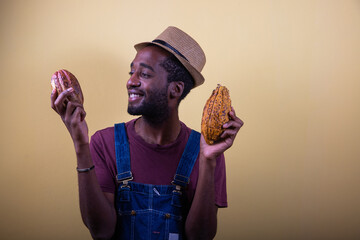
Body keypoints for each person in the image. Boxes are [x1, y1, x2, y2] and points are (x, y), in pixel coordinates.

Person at [51, 26, 244, 240]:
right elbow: (101, 232)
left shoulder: (207, 151)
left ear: (176, 89)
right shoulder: (103, 142)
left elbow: (200, 237)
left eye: (143, 74)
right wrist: (80, 145)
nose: (130, 81)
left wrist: (208, 161)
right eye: (131, 72)